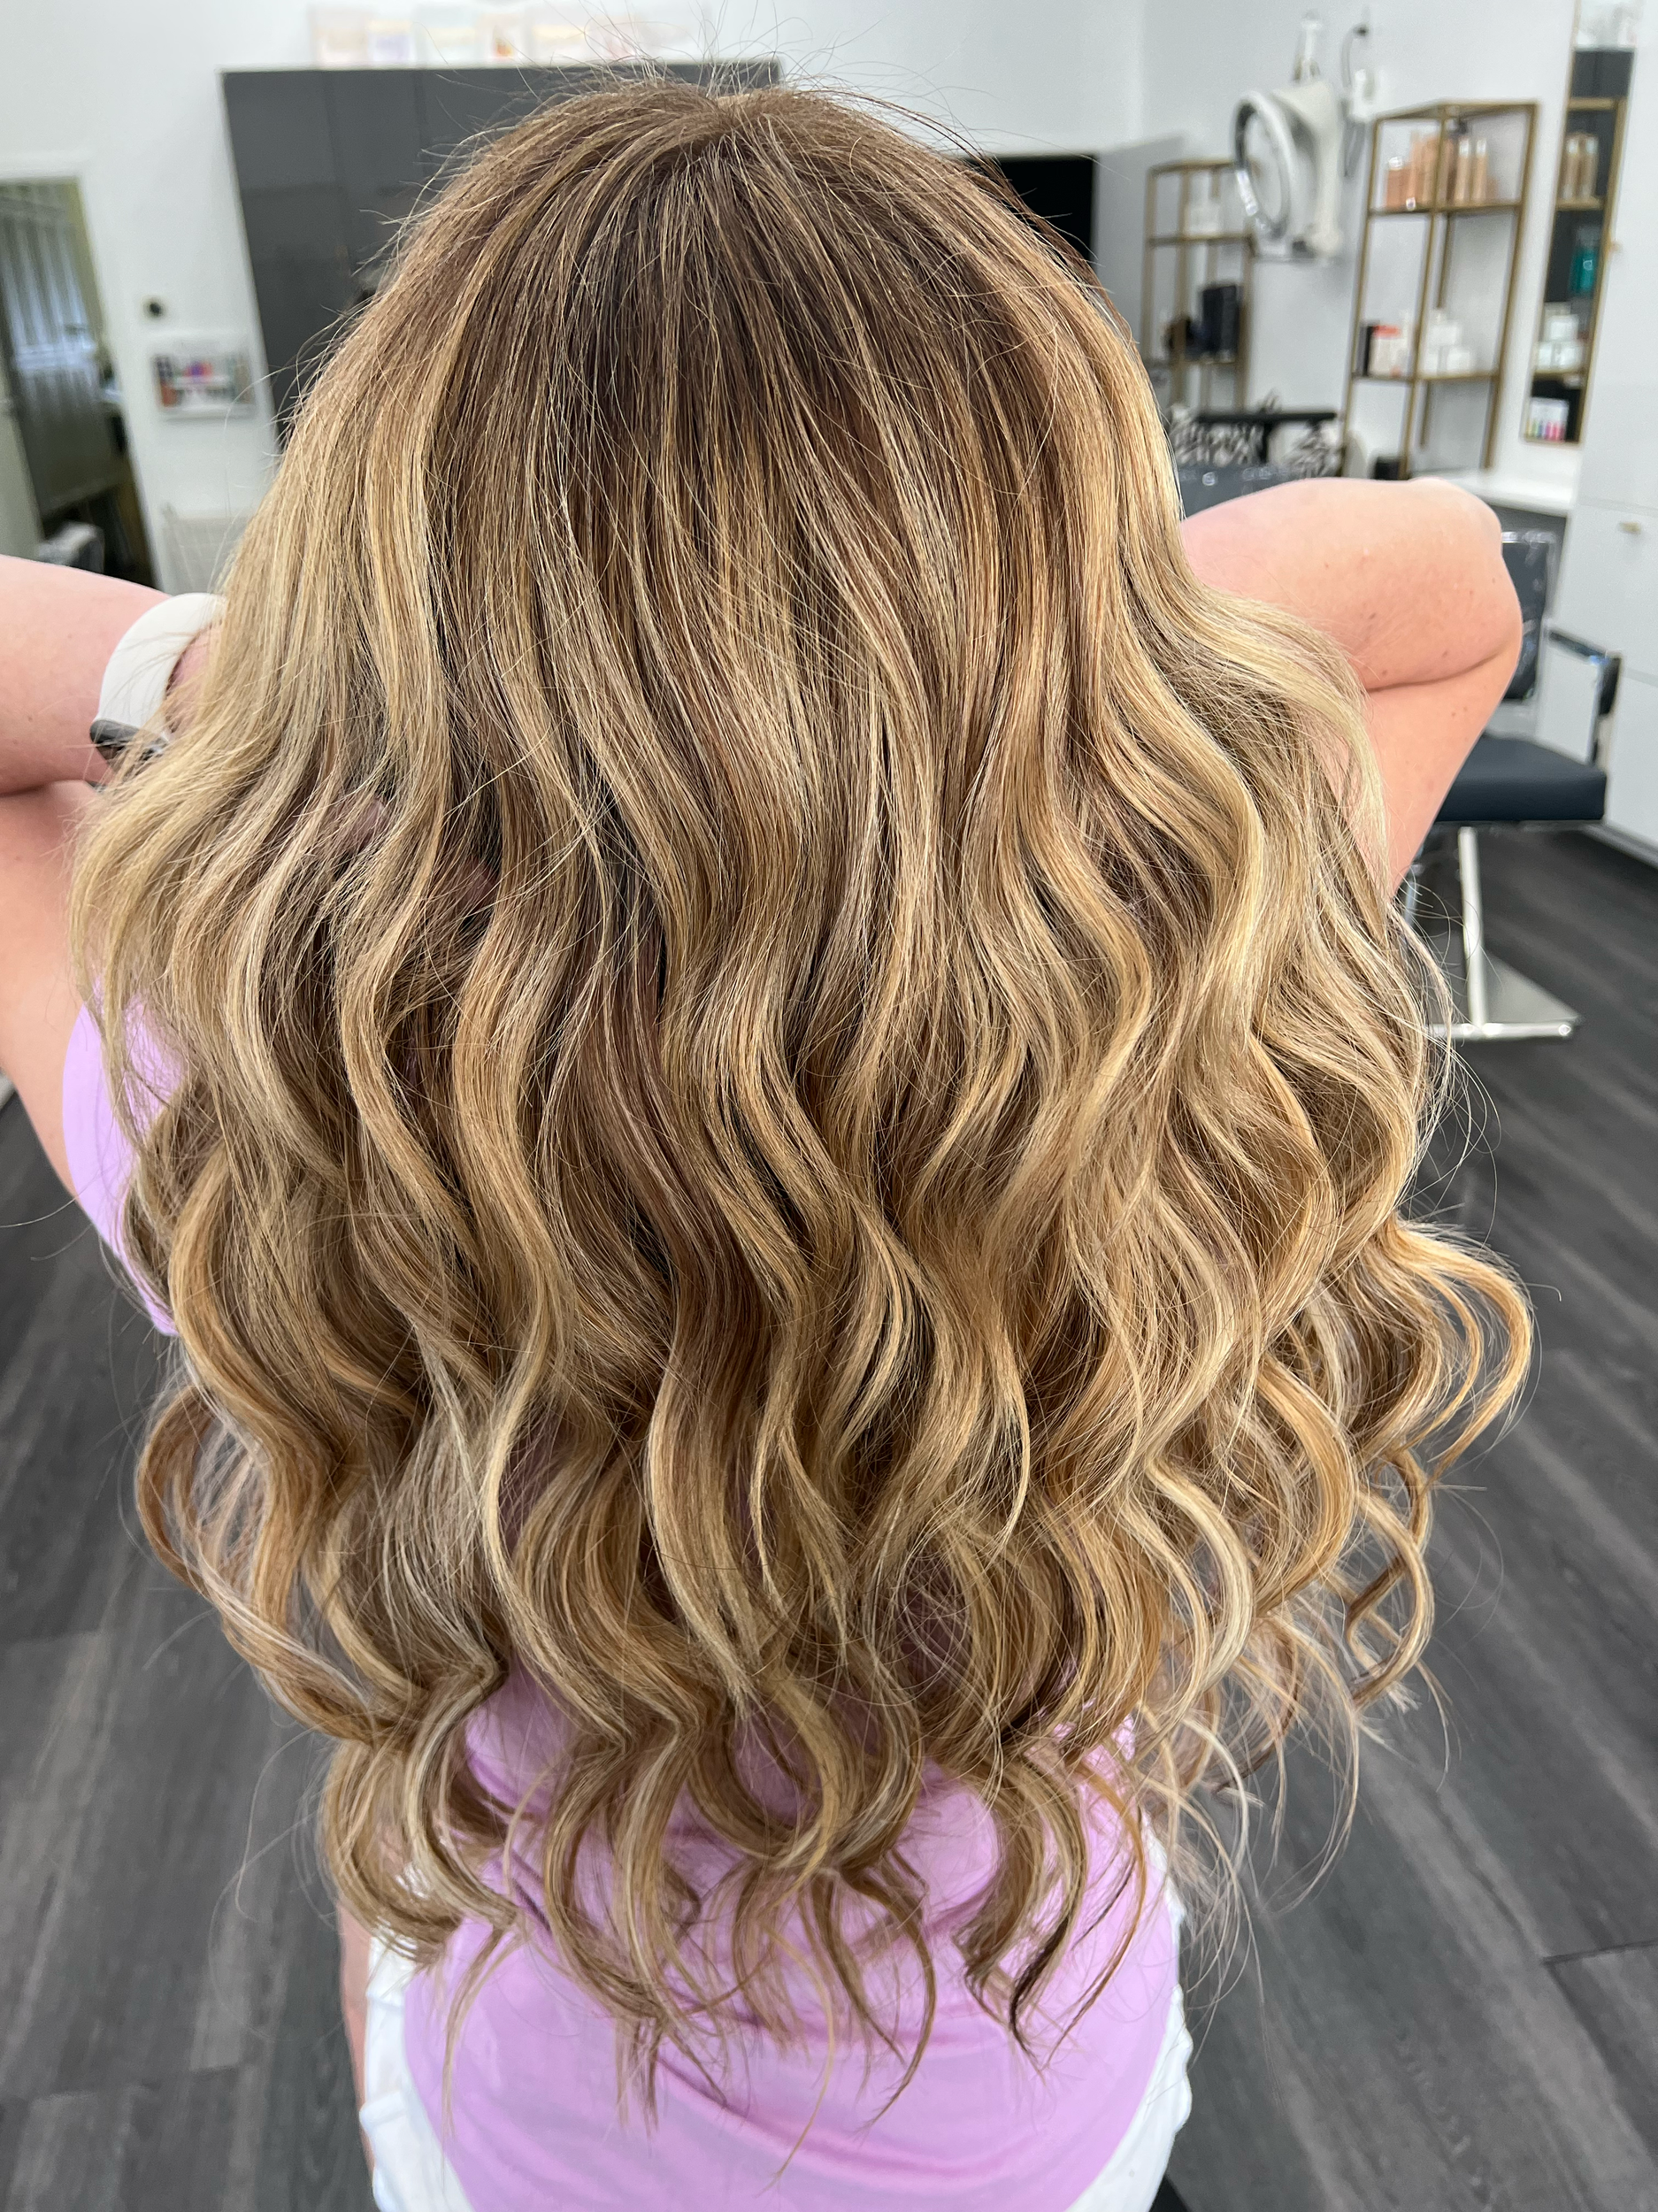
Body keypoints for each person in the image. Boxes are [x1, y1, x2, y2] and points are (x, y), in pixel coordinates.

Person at [0, 81, 1528, 2212]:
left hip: (544, 2159)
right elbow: (1448, 578)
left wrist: (308, 686)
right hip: (1054, 2122)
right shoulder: (1163, 1000)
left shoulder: (267, 1100)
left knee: (397, 1903)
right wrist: (1001, 664)